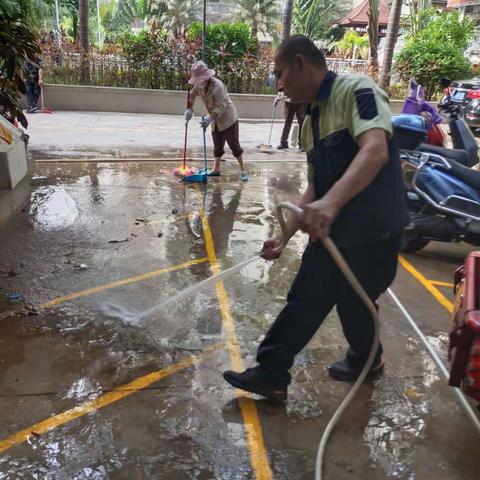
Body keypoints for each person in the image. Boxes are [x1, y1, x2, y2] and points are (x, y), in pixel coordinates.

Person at [223, 35, 409, 401]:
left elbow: (375, 152)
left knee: (344, 297)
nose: (279, 84)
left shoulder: (359, 91)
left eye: (280, 74)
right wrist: (285, 235)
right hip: (338, 231)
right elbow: (314, 187)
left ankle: (290, 369)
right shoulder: (311, 122)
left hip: (375, 230)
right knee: (322, 296)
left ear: (300, 64)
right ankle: (284, 371)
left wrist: (332, 204)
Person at [184, 61, 248, 181]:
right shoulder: (199, 85)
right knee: (217, 145)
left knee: (234, 145)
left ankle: (243, 170)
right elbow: (191, 94)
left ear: (206, 77)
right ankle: (216, 169)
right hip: (215, 120)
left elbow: (222, 106)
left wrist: (209, 118)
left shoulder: (218, 86)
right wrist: (189, 109)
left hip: (228, 119)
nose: (198, 83)